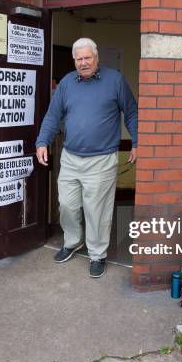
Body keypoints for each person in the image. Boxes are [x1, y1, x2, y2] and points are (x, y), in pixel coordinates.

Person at [35, 37, 138, 278]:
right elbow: (52, 115)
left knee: (97, 211)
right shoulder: (67, 84)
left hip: (101, 160)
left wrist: (137, 141)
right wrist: (42, 141)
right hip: (70, 158)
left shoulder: (115, 80)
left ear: (96, 57)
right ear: (74, 60)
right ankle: (72, 241)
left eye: (87, 58)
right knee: (68, 206)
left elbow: (131, 112)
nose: (83, 63)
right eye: (79, 59)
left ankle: (97, 254)